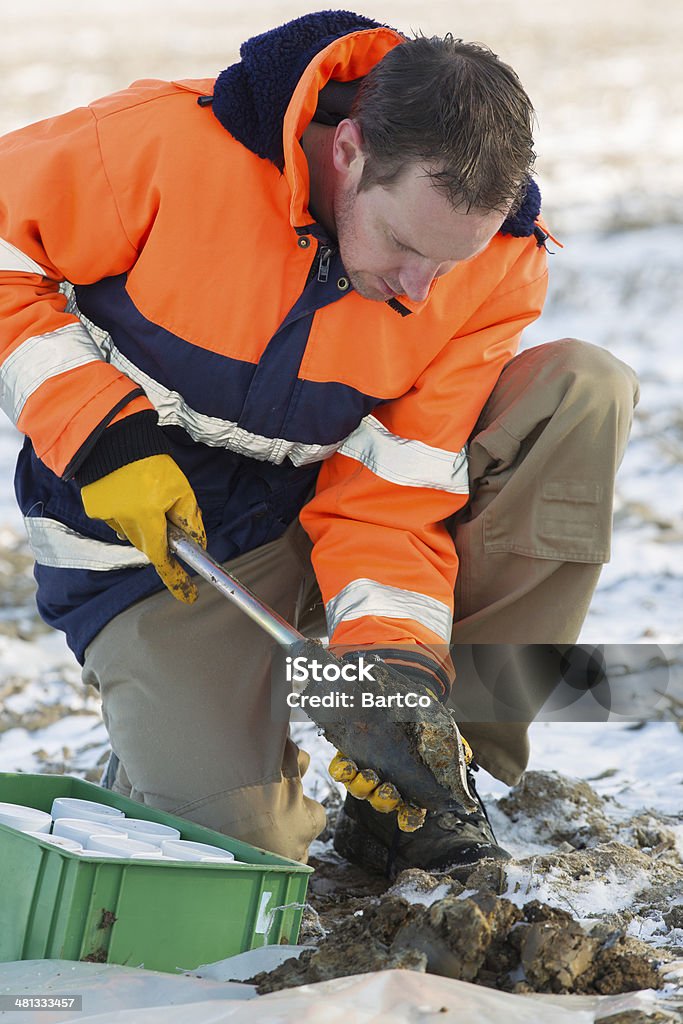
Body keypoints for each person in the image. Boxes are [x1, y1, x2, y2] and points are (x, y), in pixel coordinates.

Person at [0, 11, 638, 877]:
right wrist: (99, 435)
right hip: (161, 558)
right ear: (346, 153)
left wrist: (391, 679)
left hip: (327, 528)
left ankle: (438, 776)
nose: (419, 289)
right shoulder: (159, 146)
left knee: (582, 389)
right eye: (406, 245)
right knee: (241, 852)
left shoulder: (493, 264)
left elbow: (394, 495)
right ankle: (184, 756)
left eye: (447, 265)